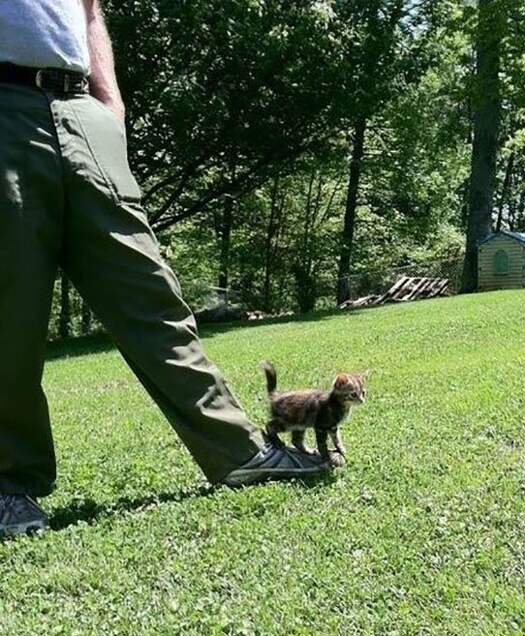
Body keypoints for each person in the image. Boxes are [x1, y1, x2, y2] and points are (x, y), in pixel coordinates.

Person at [0, 0, 338, 538]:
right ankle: (8, 486)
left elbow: (88, 11)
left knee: (151, 294)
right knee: (8, 309)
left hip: (80, 110)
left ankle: (241, 451)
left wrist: (109, 105)